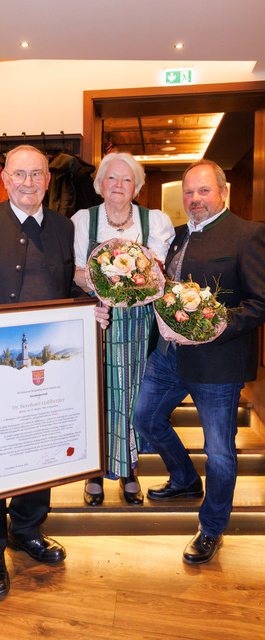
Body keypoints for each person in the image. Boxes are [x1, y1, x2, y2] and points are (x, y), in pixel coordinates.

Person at [0, 144, 108, 598]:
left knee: (40, 446)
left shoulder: (63, 226)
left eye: (36, 174)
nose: (28, 182)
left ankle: (27, 530)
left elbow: (65, 290)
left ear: (47, 180)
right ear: (5, 179)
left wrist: (90, 310)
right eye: (19, 174)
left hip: (44, 367)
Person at [133, 159, 265, 564]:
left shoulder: (248, 234)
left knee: (220, 452)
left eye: (203, 190)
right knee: (144, 419)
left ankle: (211, 528)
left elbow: (259, 302)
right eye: (189, 192)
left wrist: (216, 326)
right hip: (167, 356)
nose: (195, 199)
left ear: (223, 192)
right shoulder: (175, 236)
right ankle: (185, 479)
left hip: (217, 364)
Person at [72, 152, 174, 506]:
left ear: (137, 187)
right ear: (100, 184)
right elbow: (74, 271)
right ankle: (95, 469)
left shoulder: (155, 221)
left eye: (126, 179)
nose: (118, 185)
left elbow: (157, 274)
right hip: (96, 319)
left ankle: (129, 468)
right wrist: (104, 284)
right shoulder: (82, 220)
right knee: (97, 394)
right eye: (111, 178)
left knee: (132, 396)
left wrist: (131, 284)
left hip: (138, 324)